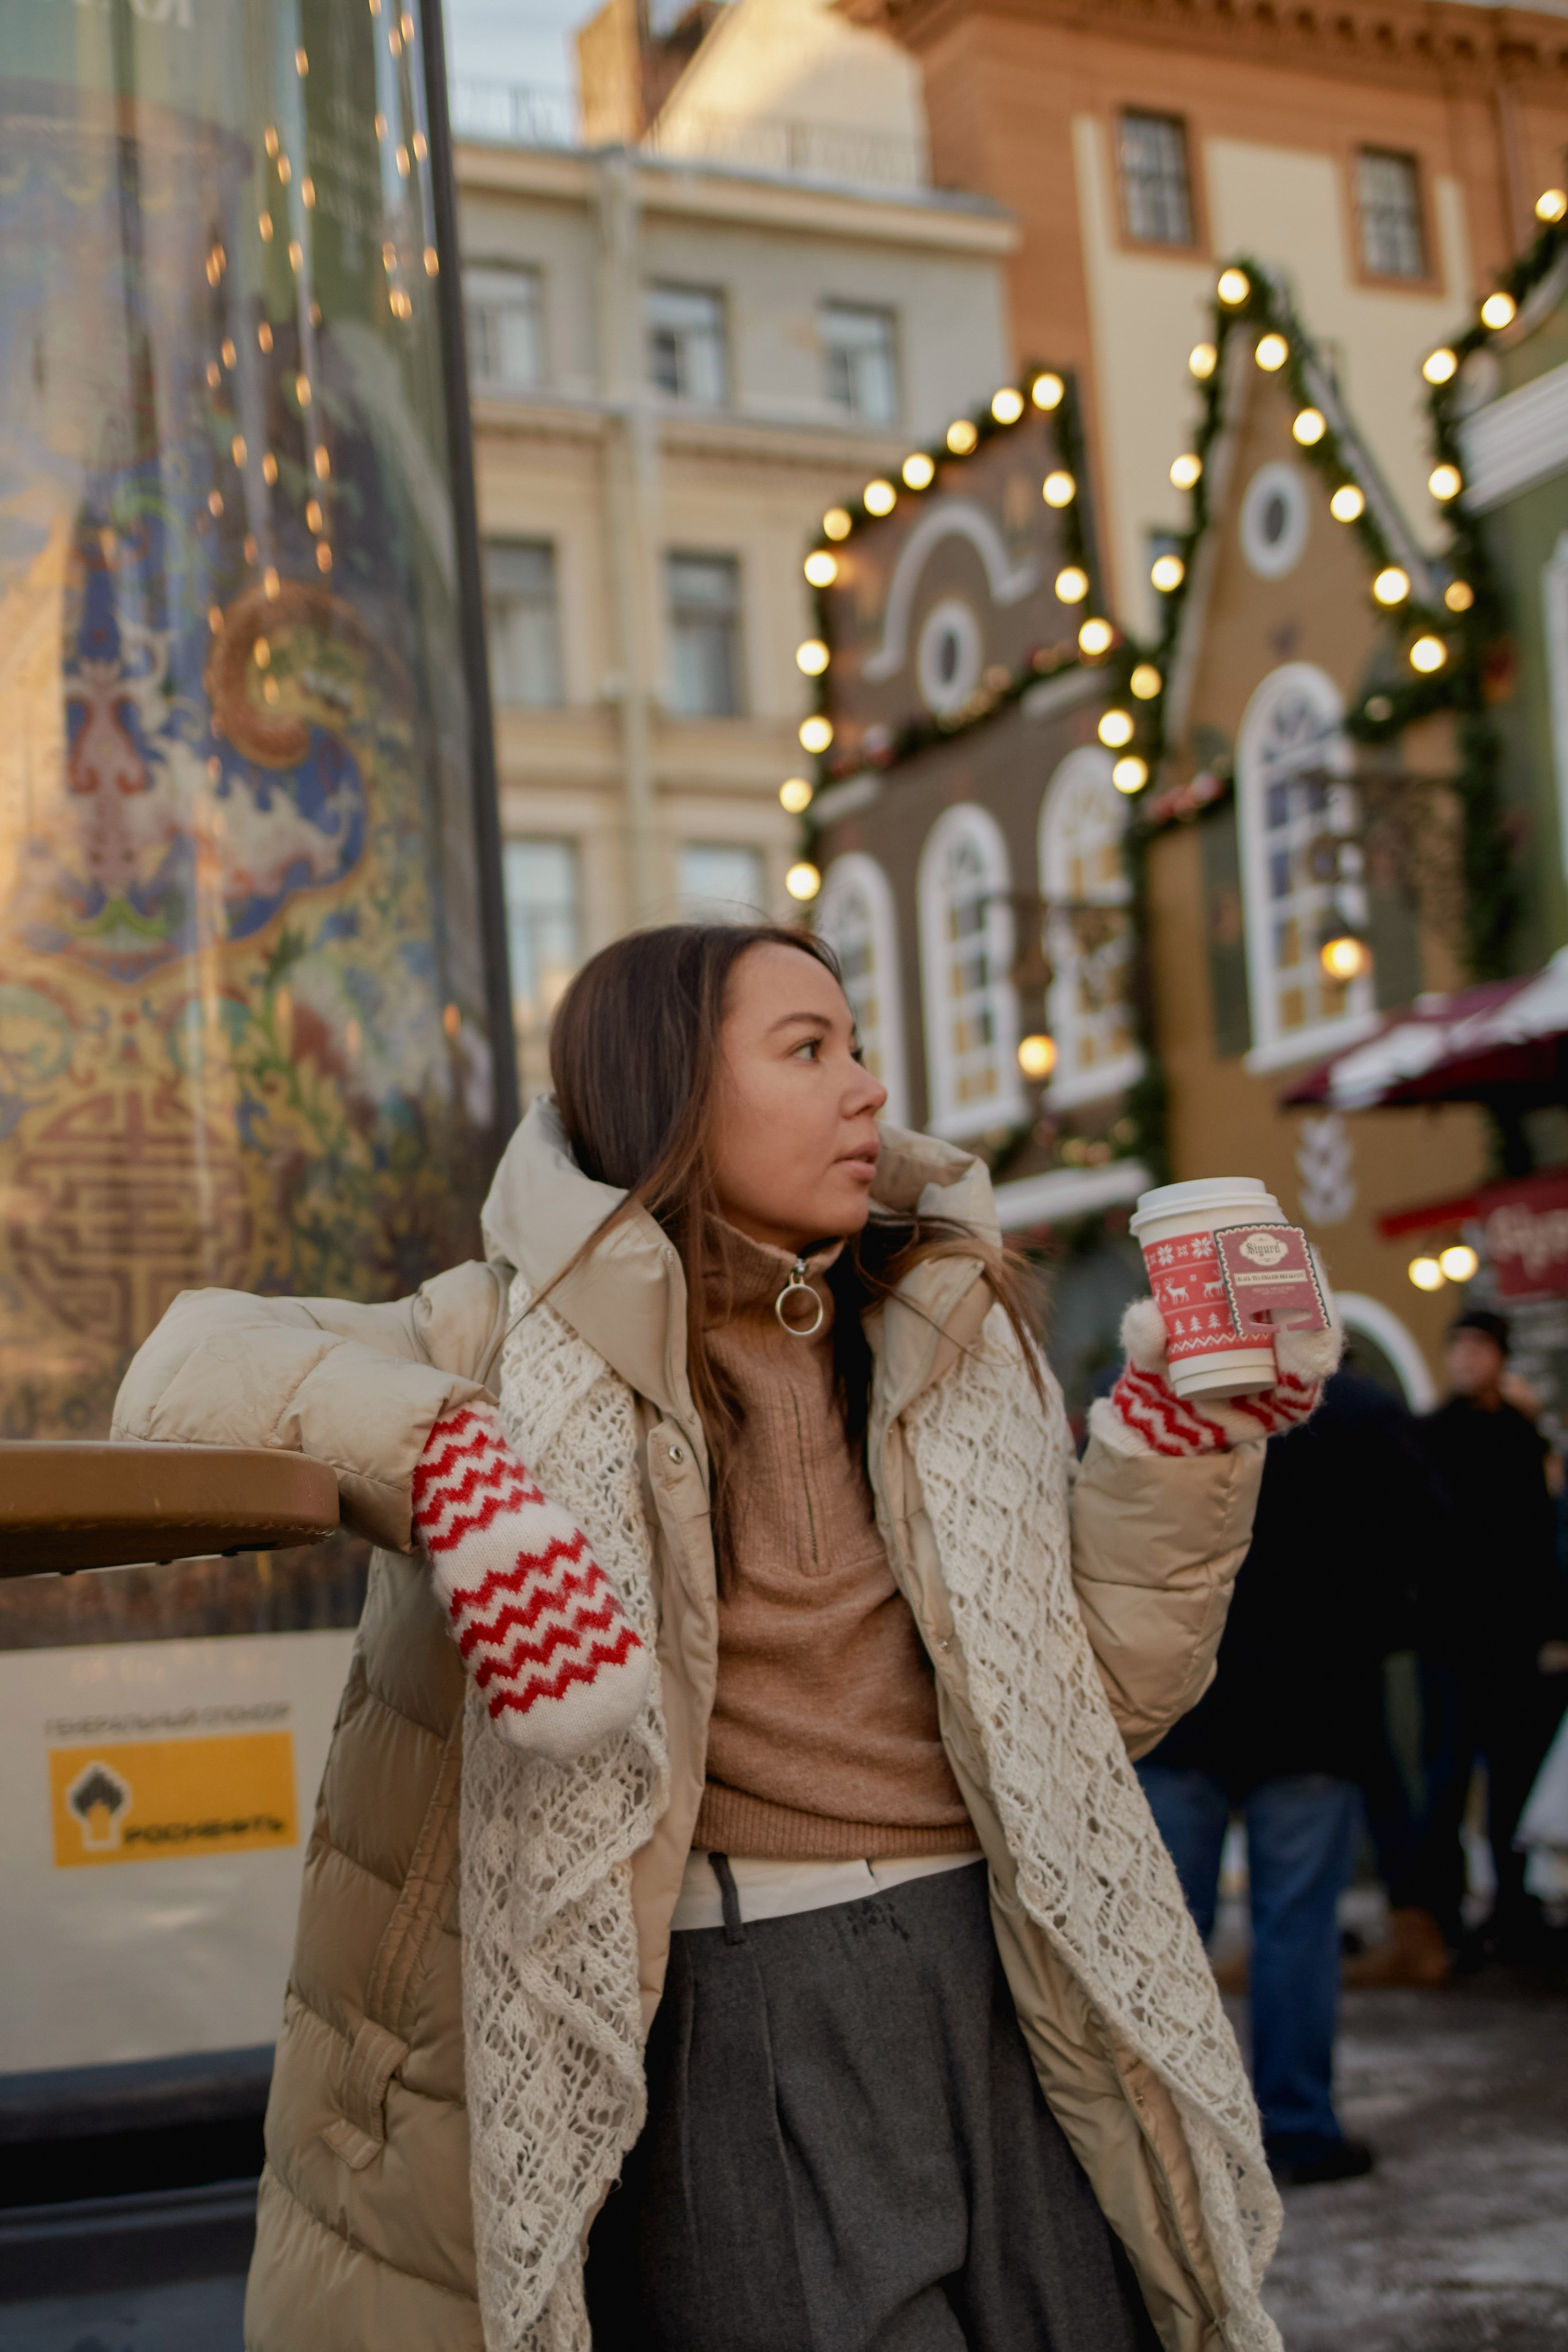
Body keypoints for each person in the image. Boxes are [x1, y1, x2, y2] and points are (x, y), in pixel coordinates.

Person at [115, 924, 1335, 2352]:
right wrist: (451, 1465)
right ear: (670, 1091)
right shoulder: (500, 1332)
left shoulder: (942, 1323)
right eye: (806, 1050)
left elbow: (1107, 1700)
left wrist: (1179, 1441)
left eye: (856, 1046)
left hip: (1017, 1961)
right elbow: (185, 1371)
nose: (866, 1089)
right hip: (742, 1996)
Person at [1136, 1364, 1444, 2186]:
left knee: (1164, 1936)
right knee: (1296, 1929)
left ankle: (1158, 2142)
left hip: (1181, 1700)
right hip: (1317, 1705)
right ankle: (1299, 2127)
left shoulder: (1160, 1392)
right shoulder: (1356, 1409)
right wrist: (1373, 1632)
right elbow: (1427, 1539)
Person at [1410, 1308, 1568, 1963]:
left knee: (1512, 1777)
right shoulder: (1432, 1434)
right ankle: (1442, 1914)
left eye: (1479, 1348)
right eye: (1459, 1348)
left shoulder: (1521, 1436)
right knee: (1447, 1778)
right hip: (1451, 1639)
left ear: (1499, 1358)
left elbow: (1540, 1541)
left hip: (1511, 1642)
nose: (1466, 1359)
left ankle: (1512, 1908)